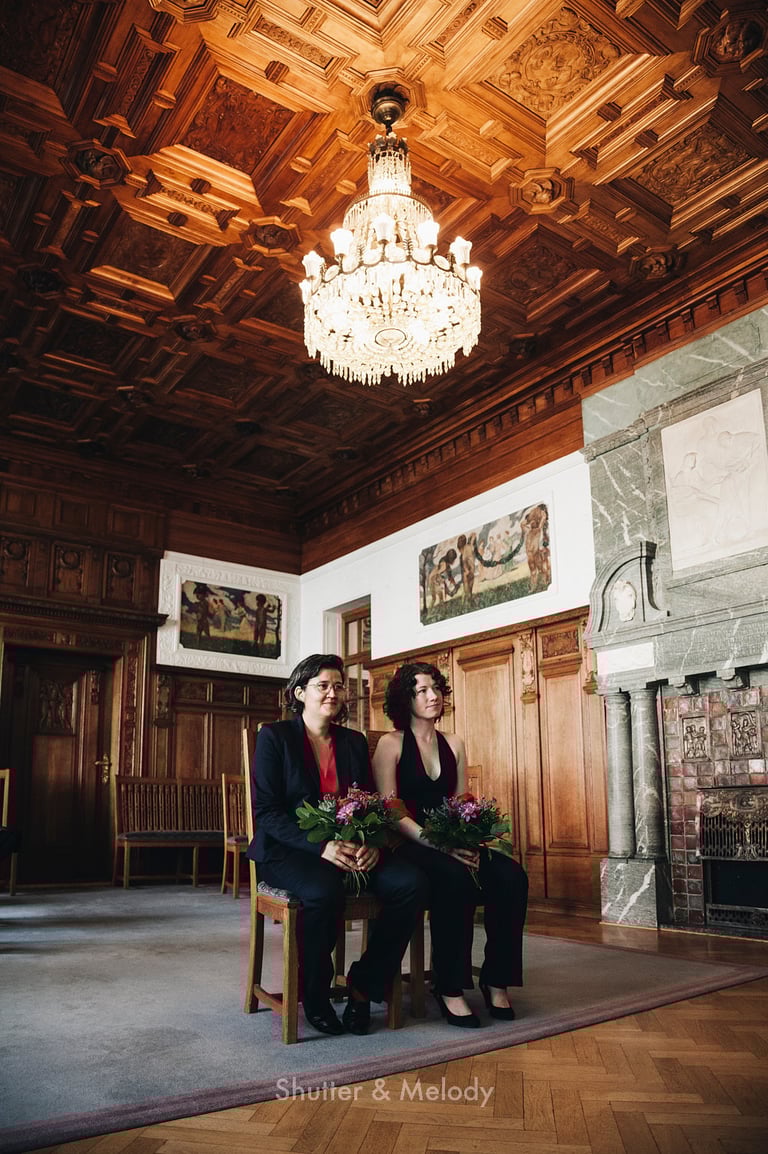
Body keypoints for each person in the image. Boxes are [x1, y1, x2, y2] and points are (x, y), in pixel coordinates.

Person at [248, 653, 427, 1037]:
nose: (333, 692)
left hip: (350, 846)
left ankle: (364, 983)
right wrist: (321, 848)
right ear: (300, 693)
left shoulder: (353, 742)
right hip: (289, 851)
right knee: (323, 890)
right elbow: (267, 812)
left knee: (410, 882)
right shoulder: (274, 737)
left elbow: (368, 803)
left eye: (339, 685)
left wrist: (372, 844)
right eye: (323, 685)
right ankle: (314, 994)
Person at [373, 662, 528, 1028]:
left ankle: (496, 978)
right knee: (454, 878)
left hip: (449, 840)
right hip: (409, 843)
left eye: (436, 689)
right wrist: (439, 845)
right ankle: (451, 986)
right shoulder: (390, 743)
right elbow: (391, 810)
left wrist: (469, 839)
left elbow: (460, 801)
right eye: (422, 691)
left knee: (511, 876)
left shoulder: (454, 742)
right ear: (404, 699)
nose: (432, 696)